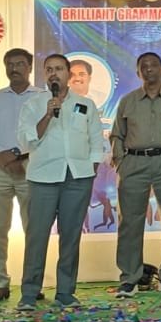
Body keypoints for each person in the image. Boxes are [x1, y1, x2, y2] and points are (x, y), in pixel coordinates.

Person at [15, 54, 107, 310]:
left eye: (58, 69)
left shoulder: (85, 104)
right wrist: (47, 115)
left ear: (68, 74)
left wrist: (91, 169)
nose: (53, 73)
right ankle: (30, 293)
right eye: (49, 70)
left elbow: (96, 140)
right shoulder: (34, 104)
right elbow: (26, 141)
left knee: (71, 236)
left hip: (77, 178)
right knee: (37, 236)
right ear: (44, 75)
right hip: (43, 177)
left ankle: (65, 292)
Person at [110, 52, 161, 297]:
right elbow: (117, 134)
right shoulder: (128, 101)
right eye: (143, 66)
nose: (149, 69)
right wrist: (121, 162)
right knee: (130, 222)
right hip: (134, 164)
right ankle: (130, 278)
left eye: (153, 65)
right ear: (138, 72)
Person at [0, 48, 41, 302]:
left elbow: (45, 132)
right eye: (10, 64)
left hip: (31, 166)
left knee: (34, 228)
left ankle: (32, 284)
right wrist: (3, 156)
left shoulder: (42, 97)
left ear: (30, 67)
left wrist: (21, 157)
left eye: (20, 64)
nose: (15, 69)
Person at [70, 58, 115, 230]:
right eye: (72, 74)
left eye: (81, 74)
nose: (77, 78)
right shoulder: (59, 105)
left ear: (89, 77)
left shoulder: (96, 102)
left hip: (100, 165)